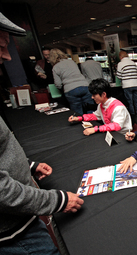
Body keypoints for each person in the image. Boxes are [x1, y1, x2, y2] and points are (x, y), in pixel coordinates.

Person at [0, 12, 84, 254]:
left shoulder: (57, 67)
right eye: (2, 45)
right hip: (13, 235)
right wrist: (56, 200)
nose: (6, 55)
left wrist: (27, 165)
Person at [50, 48, 94, 115]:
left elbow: (58, 84)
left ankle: (81, 124)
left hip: (70, 89)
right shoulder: (72, 62)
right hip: (84, 86)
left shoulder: (55, 67)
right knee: (90, 108)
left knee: (77, 111)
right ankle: (94, 124)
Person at [116, 50, 137, 120]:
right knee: (136, 100)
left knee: (130, 102)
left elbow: (119, 76)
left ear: (121, 57)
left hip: (127, 86)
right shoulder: (133, 63)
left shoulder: (120, 64)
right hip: (135, 84)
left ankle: (133, 116)